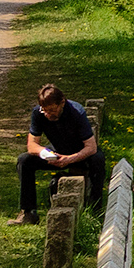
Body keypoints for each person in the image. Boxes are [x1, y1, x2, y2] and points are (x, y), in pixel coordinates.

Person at [19, 85, 105, 222]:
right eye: (45, 111)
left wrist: (70, 159)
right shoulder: (38, 113)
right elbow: (32, 144)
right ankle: (28, 212)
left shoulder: (76, 112)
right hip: (57, 152)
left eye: (52, 110)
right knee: (24, 160)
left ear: (62, 103)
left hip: (79, 152)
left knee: (98, 159)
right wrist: (44, 153)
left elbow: (91, 147)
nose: (48, 115)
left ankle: (96, 210)